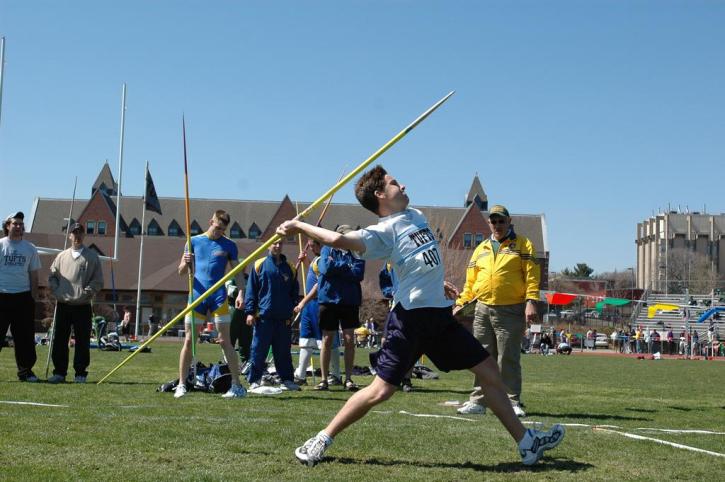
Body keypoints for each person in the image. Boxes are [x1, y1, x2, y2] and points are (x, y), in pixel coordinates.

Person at [276, 165, 564, 467]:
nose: (403, 184)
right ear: (380, 195)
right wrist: (300, 227)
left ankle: (526, 443)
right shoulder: (383, 232)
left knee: (490, 371)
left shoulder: (416, 216)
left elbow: (416, 260)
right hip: (410, 321)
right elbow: (338, 241)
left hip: (439, 317)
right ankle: (321, 439)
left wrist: (437, 282)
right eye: (394, 183)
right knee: (380, 390)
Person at [453, 204, 540, 418]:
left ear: (509, 222)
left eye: (502, 221)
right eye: (494, 221)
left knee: (508, 357)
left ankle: (512, 401)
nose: (498, 225)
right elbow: (471, 282)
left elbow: (532, 275)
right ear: (489, 224)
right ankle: (478, 401)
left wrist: (531, 301)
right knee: (481, 357)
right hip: (482, 309)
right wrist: (461, 303)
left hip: (511, 309)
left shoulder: (523, 244)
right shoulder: (480, 248)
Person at [175, 210, 246, 399]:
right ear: (210, 222)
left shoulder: (229, 245)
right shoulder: (194, 241)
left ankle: (237, 386)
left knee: (225, 341)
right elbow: (181, 271)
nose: (218, 232)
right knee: (190, 340)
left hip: (218, 297)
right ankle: (181, 384)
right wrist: (186, 262)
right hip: (197, 295)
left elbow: (238, 272)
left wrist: (241, 292)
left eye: (222, 230)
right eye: (216, 227)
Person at [47, 223, 104, 383]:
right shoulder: (61, 256)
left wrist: (87, 292)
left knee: (82, 341)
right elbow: (52, 276)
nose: (77, 236)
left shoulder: (92, 257)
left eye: (80, 233)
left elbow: (98, 280)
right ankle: (59, 372)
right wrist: (57, 291)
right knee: (59, 340)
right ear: (69, 235)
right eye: (74, 233)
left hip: (83, 306)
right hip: (63, 305)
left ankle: (80, 373)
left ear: (84, 235)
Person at [244, 238, 301, 392]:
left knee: (283, 352)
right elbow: (251, 291)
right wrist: (250, 312)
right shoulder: (259, 264)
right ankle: (254, 380)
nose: (277, 246)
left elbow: (294, 292)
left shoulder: (290, 268)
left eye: (280, 243)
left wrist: (292, 308)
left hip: (283, 319)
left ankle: (287, 380)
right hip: (263, 317)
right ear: (268, 245)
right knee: (258, 351)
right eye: (274, 243)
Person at [314, 225, 365, 392]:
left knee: (350, 341)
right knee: (327, 340)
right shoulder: (327, 249)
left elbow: (358, 274)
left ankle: (348, 379)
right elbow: (325, 269)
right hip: (329, 300)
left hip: (349, 301)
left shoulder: (356, 251)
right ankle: (324, 379)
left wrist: (338, 267)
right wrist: (346, 267)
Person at [293, 240, 342, 386]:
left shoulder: (326, 259)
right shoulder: (316, 259)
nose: (311, 247)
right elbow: (314, 273)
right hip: (309, 306)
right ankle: (301, 375)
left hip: (319, 304)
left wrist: (303, 302)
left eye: (313, 245)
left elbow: (318, 284)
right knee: (306, 339)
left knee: (327, 341)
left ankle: (335, 374)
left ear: (320, 244)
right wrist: (306, 261)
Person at [0, 211, 42, 382]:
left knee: (24, 337)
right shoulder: (1, 245)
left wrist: (33, 297)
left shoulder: (30, 248)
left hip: (23, 298)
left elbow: (34, 275)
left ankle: (25, 371)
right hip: (2, 295)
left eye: (20, 224)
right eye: (15, 224)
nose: (18, 227)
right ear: (7, 226)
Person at [380, 262, 414, 392]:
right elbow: (384, 279)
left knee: (410, 341)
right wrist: (390, 291)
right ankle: (388, 376)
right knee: (386, 340)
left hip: (412, 303)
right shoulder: (389, 262)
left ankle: (406, 379)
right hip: (396, 304)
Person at [225, 277, 252, 368]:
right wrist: (245, 291)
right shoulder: (230, 278)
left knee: (246, 340)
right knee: (230, 339)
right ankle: (227, 363)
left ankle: (246, 363)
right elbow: (230, 292)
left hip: (246, 313)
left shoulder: (249, 278)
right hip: (233, 311)